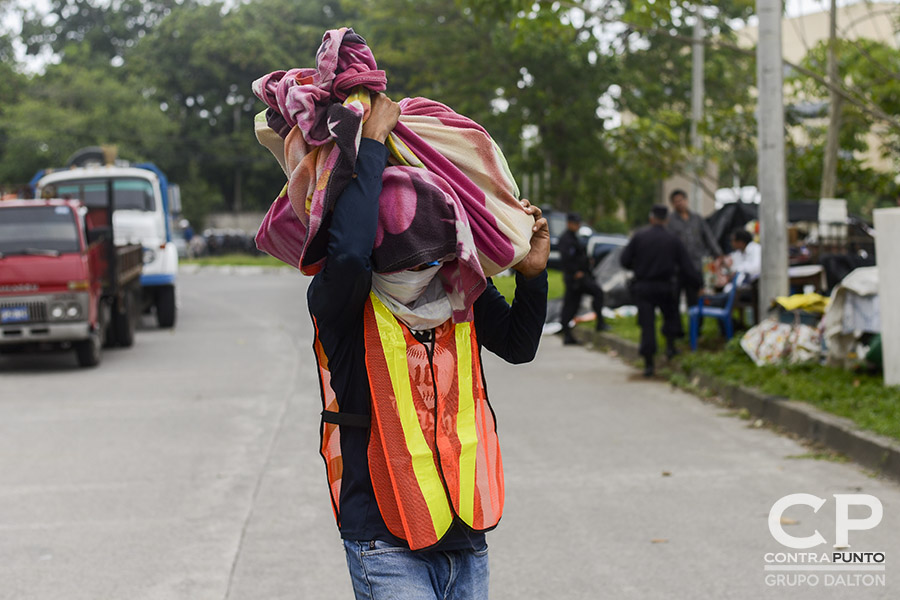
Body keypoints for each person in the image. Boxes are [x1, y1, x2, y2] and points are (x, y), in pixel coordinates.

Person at [307, 93, 549, 600]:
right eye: (412, 259)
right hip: (383, 539)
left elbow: (520, 346)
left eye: (435, 256)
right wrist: (370, 144)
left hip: (465, 533)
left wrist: (532, 276)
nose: (427, 269)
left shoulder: (459, 293)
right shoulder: (344, 304)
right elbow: (349, 256)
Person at [621, 205, 701, 377]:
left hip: (643, 286)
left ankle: (649, 364)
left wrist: (639, 266)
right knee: (671, 316)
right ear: (666, 220)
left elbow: (624, 260)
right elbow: (687, 265)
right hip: (666, 286)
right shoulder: (673, 239)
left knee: (647, 324)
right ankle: (671, 348)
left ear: (651, 218)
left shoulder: (640, 237)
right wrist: (698, 284)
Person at [666, 189, 722, 306]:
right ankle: (676, 324)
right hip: (678, 268)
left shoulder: (697, 219)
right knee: (674, 299)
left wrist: (719, 255)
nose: (679, 203)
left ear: (686, 200)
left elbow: (709, 238)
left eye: (681, 200)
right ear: (672, 204)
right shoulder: (670, 221)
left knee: (695, 298)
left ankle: (696, 323)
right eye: (676, 201)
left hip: (696, 266)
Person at [558, 212, 607, 345]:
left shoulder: (574, 237)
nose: (577, 226)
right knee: (575, 302)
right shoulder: (566, 239)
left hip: (580, 276)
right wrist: (575, 272)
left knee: (573, 303)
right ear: (569, 224)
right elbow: (567, 259)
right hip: (575, 278)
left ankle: (570, 332)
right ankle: (567, 332)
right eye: (575, 223)